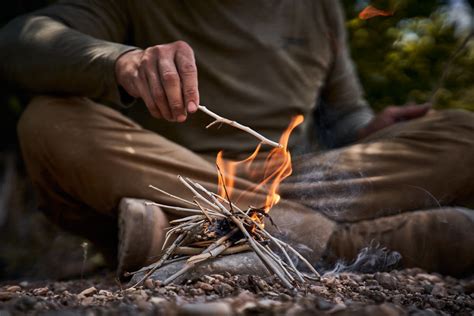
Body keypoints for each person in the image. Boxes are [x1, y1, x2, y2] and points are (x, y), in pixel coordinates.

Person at [0, 0, 472, 278]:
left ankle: (210, 244)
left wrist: (373, 132)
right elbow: (20, 41)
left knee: (463, 132)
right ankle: (329, 245)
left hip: (300, 180)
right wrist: (118, 61)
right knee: (48, 121)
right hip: (171, 179)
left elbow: (346, 114)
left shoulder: (317, 7)